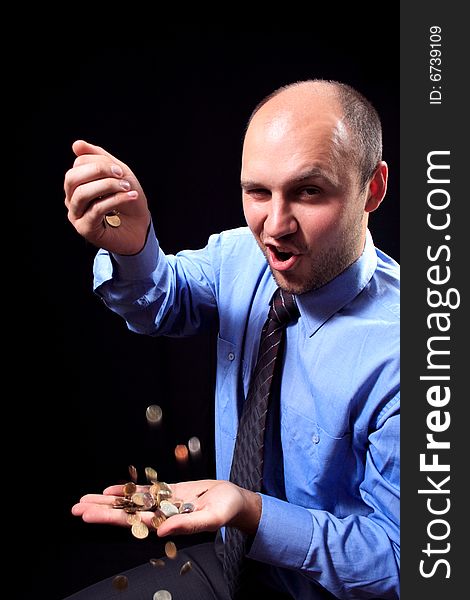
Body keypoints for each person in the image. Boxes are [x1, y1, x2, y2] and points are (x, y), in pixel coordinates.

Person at [64, 79, 400, 599]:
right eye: (257, 192)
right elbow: (162, 302)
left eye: (309, 191)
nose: (275, 226)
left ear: (372, 189)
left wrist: (252, 512)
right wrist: (132, 248)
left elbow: (405, 563)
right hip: (229, 569)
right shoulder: (240, 257)